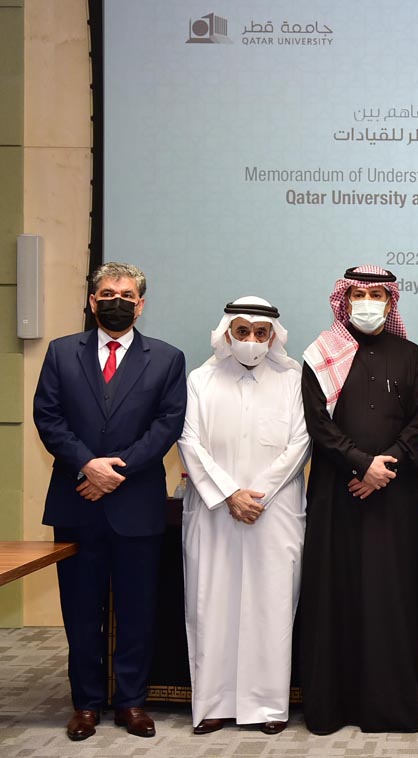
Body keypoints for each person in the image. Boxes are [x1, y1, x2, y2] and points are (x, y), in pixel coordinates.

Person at [33, 262, 186, 741]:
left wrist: (114, 470)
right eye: (106, 292)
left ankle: (132, 702)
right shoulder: (61, 353)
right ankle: (85, 703)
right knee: (81, 609)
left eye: (126, 294)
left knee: (138, 608)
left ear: (140, 305)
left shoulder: (167, 358)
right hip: (77, 501)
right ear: (92, 300)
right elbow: (48, 417)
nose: (115, 300)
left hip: (135, 502)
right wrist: (89, 466)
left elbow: (167, 425)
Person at [297, 265, 418, 734]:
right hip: (337, 492)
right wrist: (359, 463)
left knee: (391, 595)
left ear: (391, 303)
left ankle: (390, 706)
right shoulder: (320, 354)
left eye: (378, 294)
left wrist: (384, 467)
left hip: (395, 496)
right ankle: (332, 707)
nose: (369, 302)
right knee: (335, 595)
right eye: (360, 294)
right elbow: (316, 423)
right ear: (344, 300)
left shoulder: (412, 354)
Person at [177, 297, 310, 736]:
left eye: (260, 333)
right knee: (210, 604)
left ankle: (267, 705)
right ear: (226, 333)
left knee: (271, 606)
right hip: (214, 512)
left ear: (273, 336)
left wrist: (259, 494)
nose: (251, 341)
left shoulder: (292, 380)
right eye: (242, 331)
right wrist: (231, 493)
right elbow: (189, 441)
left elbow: (300, 443)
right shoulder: (201, 379)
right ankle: (213, 703)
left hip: (275, 514)